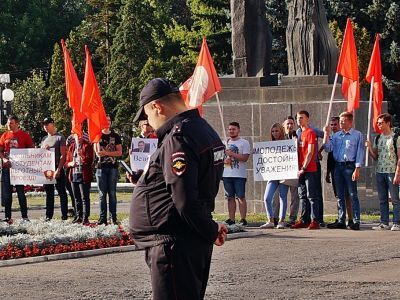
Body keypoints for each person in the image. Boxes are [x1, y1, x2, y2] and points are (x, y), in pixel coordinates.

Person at [129, 78, 227, 300]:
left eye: (147, 116)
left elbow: (184, 199)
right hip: (185, 241)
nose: (149, 123)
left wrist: (210, 230)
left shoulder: (178, 137)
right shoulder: (203, 129)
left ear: (157, 106)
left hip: (174, 245)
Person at [323, 111, 364, 230]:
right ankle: (341, 219)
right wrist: (326, 135)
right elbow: (328, 148)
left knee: (352, 195)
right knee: (340, 195)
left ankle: (356, 221)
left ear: (350, 122)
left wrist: (357, 168)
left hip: (350, 166)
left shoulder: (357, 135)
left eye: (343, 121)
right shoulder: (336, 136)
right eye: (340, 121)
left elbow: (360, 152)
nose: (340, 123)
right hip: (338, 167)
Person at [366, 113, 400, 231]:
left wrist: (397, 173)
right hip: (380, 171)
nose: (378, 125)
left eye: (381, 123)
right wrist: (369, 148)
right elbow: (375, 157)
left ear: (388, 123)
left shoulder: (396, 138)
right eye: (378, 123)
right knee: (382, 199)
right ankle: (384, 222)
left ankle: (396, 222)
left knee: (395, 198)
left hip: (392, 171)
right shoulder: (378, 138)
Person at [0, 115, 34, 222]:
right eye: (8, 123)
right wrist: (4, 159)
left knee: (20, 192)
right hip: (7, 168)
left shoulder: (24, 135)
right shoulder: (5, 135)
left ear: (17, 123)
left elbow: (32, 150)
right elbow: (0, 150)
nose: (9, 125)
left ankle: (24, 216)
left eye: (11, 123)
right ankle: (7, 217)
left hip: (20, 170)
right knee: (7, 194)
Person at [291, 110, 320, 230]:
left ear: (307, 119)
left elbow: (310, 151)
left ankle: (315, 220)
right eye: (298, 118)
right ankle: (304, 219)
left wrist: (303, 167)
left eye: (301, 118)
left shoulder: (310, 133)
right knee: (302, 195)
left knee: (311, 196)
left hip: (309, 169)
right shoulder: (299, 134)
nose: (299, 120)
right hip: (300, 170)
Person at [324, 116, 353, 228]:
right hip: (334, 169)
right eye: (331, 125)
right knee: (339, 195)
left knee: (348, 196)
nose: (333, 126)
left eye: (335, 124)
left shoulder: (343, 137)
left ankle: (350, 219)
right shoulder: (332, 137)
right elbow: (328, 152)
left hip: (345, 167)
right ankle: (341, 218)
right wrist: (327, 172)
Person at [94, 115, 122, 225]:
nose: (108, 122)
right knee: (102, 195)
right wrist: (100, 150)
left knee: (112, 193)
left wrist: (106, 153)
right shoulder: (97, 135)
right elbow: (97, 152)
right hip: (100, 168)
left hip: (112, 168)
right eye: (105, 121)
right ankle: (102, 218)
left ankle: (113, 217)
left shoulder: (115, 136)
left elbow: (119, 152)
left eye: (109, 120)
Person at [260, 123, 289, 229]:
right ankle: (270, 220)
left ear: (281, 131)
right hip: (272, 174)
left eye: (277, 131)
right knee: (267, 197)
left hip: (284, 173)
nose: (275, 133)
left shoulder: (287, 143)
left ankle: (281, 220)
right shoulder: (269, 144)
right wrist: (257, 153)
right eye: (273, 131)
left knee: (283, 196)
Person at [222, 122, 251, 226]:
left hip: (239, 175)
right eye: (229, 129)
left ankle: (243, 219)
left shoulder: (244, 143)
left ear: (238, 130)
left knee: (241, 197)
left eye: (233, 129)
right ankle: (231, 219)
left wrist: (232, 154)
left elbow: (245, 158)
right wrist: (225, 160)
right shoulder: (224, 142)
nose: (231, 131)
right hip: (226, 174)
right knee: (230, 197)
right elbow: (219, 157)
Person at [41, 117, 69, 221]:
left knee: (61, 192)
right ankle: (48, 216)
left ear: (52, 124)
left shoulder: (60, 137)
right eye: (44, 125)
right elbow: (40, 155)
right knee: (49, 193)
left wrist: (59, 169)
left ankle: (64, 215)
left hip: (57, 168)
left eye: (47, 124)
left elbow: (63, 155)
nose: (45, 126)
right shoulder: (44, 139)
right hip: (47, 169)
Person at [65, 133, 94, 224]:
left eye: (80, 135)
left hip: (84, 175)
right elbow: (67, 162)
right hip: (74, 175)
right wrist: (70, 164)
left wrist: (81, 155)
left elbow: (89, 160)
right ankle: (78, 216)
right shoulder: (72, 147)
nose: (78, 137)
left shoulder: (87, 146)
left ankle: (85, 217)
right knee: (76, 197)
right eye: (76, 135)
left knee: (84, 197)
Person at [282, 116, 300, 226]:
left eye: (292, 123)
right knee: (280, 196)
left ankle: (292, 218)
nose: (290, 125)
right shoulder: (279, 137)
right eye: (288, 123)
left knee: (295, 196)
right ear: (283, 125)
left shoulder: (297, 136)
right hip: (282, 170)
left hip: (294, 170)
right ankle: (279, 217)